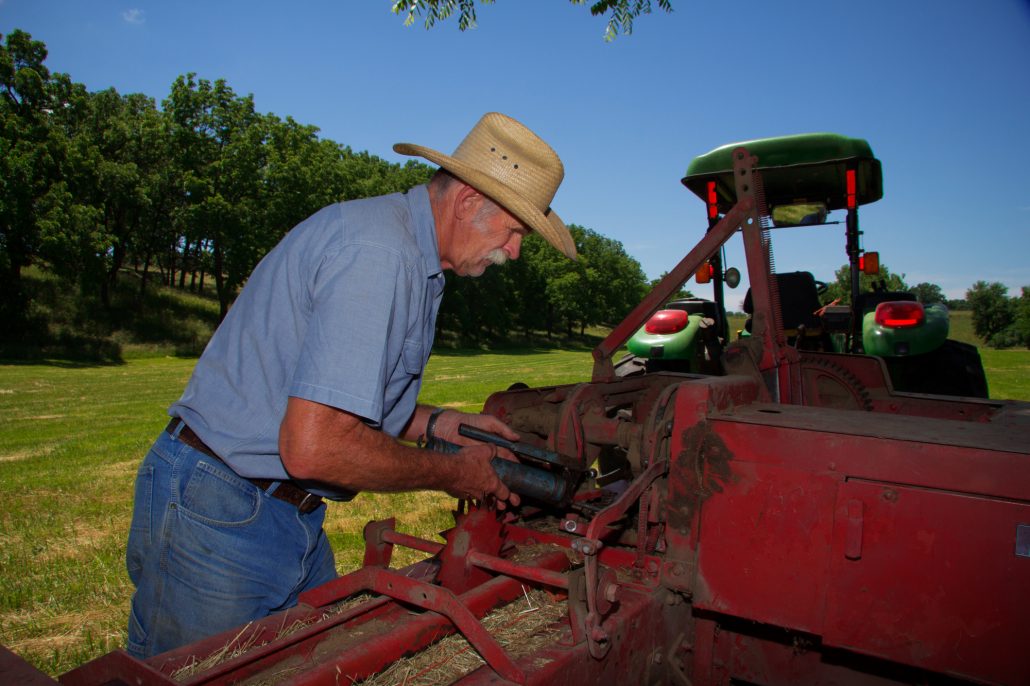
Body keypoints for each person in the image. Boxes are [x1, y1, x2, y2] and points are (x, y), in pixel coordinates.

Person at [124, 112, 577, 658]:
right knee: (192, 673)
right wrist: (458, 473)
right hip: (221, 515)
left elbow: (342, 398)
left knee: (305, 664)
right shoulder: (379, 256)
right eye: (513, 230)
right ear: (465, 203)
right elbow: (318, 447)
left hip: (277, 508)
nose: (514, 250)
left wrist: (441, 423)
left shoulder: (411, 257)